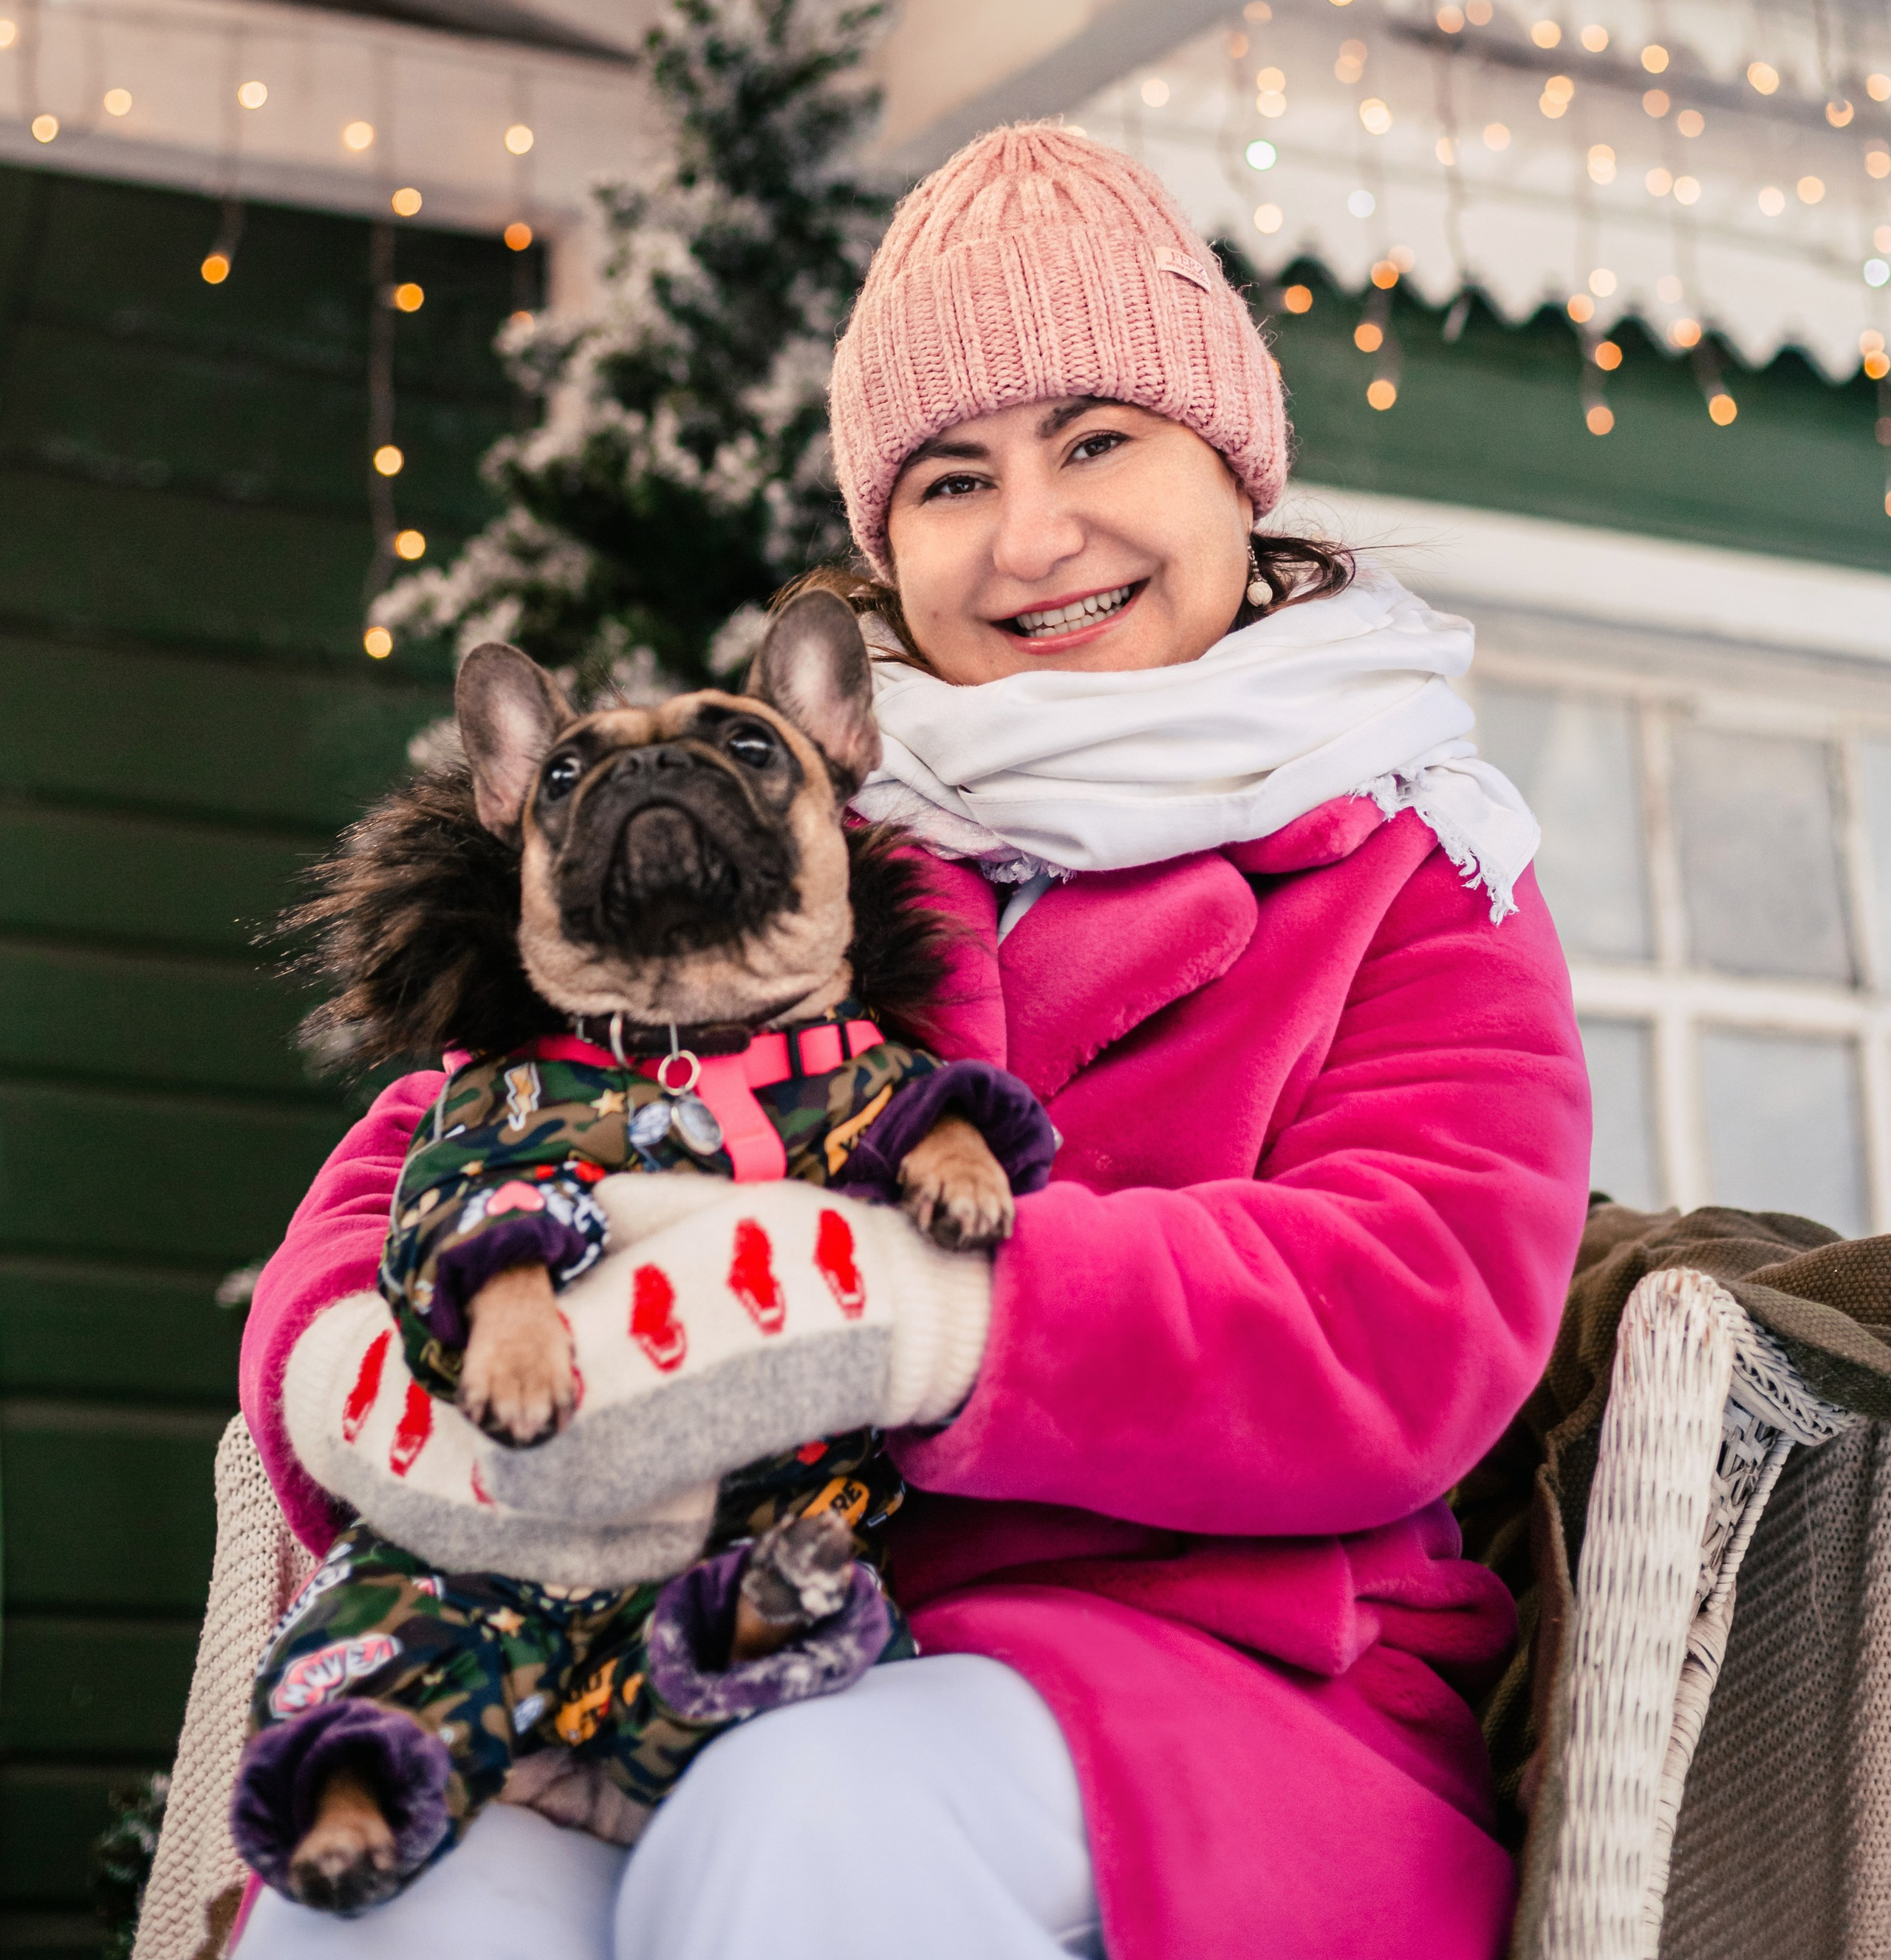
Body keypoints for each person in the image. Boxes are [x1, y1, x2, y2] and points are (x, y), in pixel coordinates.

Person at [236, 124, 1590, 1960]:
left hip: (1218, 1676)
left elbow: (1412, 1308)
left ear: (1231, 464)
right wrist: (375, 1381)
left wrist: (912, 1312)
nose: (1031, 537)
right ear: (888, 543)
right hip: (668, 1643)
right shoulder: (792, 837)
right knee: (392, 1899)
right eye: (951, 479)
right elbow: (439, 1138)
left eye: (1097, 439)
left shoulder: (1413, 864)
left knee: (807, 1834)